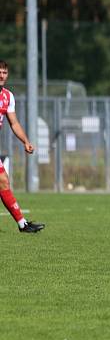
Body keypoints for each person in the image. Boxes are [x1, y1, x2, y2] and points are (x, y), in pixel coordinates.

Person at [0, 61, 44, 233]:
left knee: (3, 182)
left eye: (4, 72)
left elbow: (14, 122)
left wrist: (25, 141)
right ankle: (22, 224)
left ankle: (22, 224)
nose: (1, 75)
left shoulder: (8, 97)